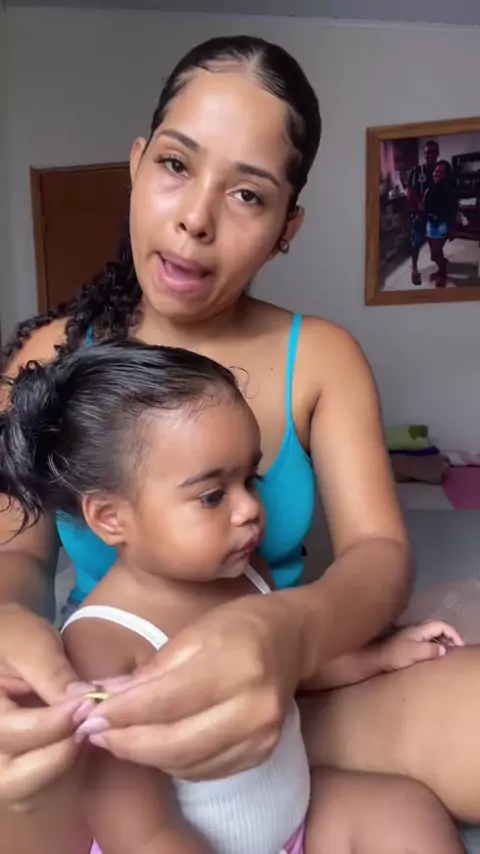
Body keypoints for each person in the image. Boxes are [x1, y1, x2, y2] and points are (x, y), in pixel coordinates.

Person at [0, 34, 470, 852]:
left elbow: (378, 555)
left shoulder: (321, 356)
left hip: (293, 684)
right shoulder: (50, 358)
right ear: (138, 164)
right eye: (176, 165)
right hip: (127, 721)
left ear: (288, 227)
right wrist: (9, 623)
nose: (195, 217)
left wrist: (287, 635)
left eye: (248, 194)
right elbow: (17, 551)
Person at [0, 340, 465, 854]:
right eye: (212, 495)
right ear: (110, 518)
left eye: (251, 479)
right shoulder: (102, 643)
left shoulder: (245, 571)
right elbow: (140, 831)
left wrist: (378, 656)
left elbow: (289, 666)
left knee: (405, 810)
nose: (248, 509)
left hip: (294, 820)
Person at [407, 139, 439, 285]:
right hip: (419, 214)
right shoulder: (416, 172)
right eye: (427, 153)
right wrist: (418, 205)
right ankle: (414, 268)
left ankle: (437, 258)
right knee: (417, 242)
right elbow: (410, 191)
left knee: (436, 240)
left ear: (437, 153)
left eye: (432, 152)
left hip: (436, 215)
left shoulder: (441, 171)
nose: (429, 155)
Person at [422, 159, 457, 287]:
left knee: (435, 252)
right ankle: (441, 268)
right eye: (437, 171)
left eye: (442, 172)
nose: (438, 174)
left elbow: (453, 212)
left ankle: (443, 274)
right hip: (430, 224)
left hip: (443, 224)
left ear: (447, 175)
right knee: (434, 254)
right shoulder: (429, 188)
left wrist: (452, 230)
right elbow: (424, 207)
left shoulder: (449, 191)